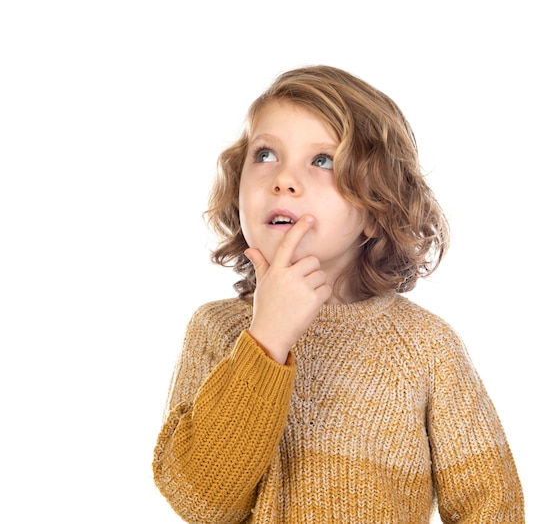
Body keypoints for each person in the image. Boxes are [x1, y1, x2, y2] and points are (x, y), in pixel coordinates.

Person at [152, 65, 524, 523]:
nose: (283, 180)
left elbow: (491, 505)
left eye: (322, 160)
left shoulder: (427, 348)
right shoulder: (218, 330)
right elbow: (203, 501)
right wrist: (266, 340)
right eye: (265, 153)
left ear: (375, 210)